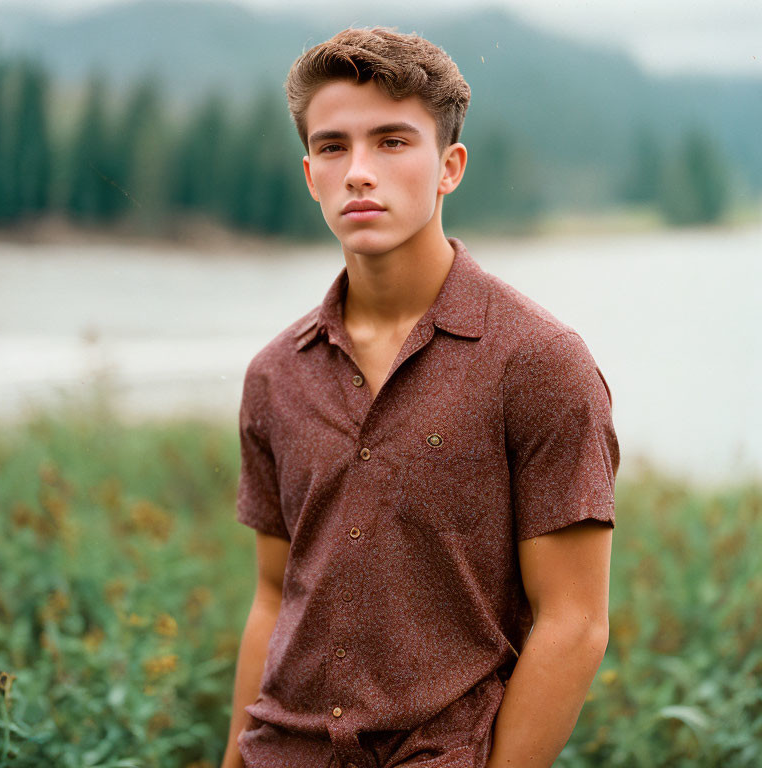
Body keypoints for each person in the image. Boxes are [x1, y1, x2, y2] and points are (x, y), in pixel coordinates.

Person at [222, 26, 620, 768]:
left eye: (393, 142)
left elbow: (574, 624)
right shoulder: (274, 375)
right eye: (334, 147)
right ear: (310, 175)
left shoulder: (539, 363)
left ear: (450, 167)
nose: (359, 172)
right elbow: (273, 599)